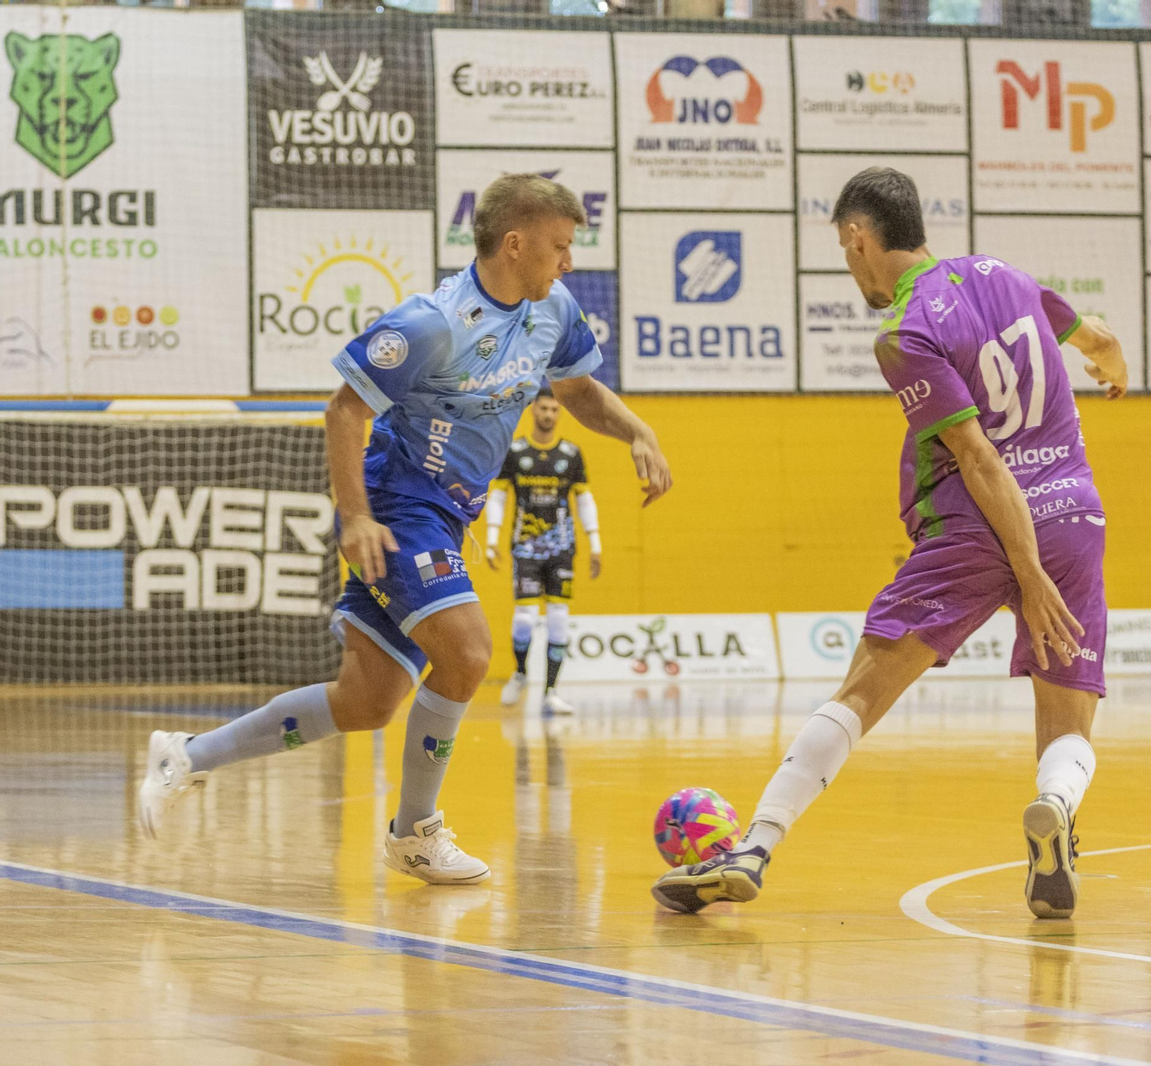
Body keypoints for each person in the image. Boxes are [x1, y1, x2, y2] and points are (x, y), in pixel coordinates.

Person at [138, 173, 673, 884]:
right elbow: (343, 412)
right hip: (397, 505)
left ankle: (185, 756)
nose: (568, 262)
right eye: (559, 247)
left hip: (447, 517)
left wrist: (637, 431)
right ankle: (414, 833)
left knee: (367, 702)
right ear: (515, 244)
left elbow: (576, 391)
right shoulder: (432, 323)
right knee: (469, 654)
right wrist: (355, 514)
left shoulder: (555, 309)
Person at [653, 166, 1129, 918]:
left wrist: (1025, 570)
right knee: (1068, 720)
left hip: (975, 530)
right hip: (1074, 516)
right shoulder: (1004, 272)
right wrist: (1106, 354)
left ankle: (755, 846)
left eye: (847, 253)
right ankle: (1055, 809)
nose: (851, 267)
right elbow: (1081, 326)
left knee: (861, 694)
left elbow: (978, 458)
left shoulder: (905, 333)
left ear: (858, 237)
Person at [485, 388, 601, 715]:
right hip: (526, 547)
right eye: (544, 408)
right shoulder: (516, 451)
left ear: (559, 412)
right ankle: (521, 671)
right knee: (524, 617)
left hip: (562, 548)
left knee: (559, 619)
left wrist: (596, 544)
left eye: (554, 409)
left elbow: (584, 500)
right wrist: (492, 539)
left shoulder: (571, 454)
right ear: (533, 409)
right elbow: (498, 497)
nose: (548, 414)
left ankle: (551, 691)